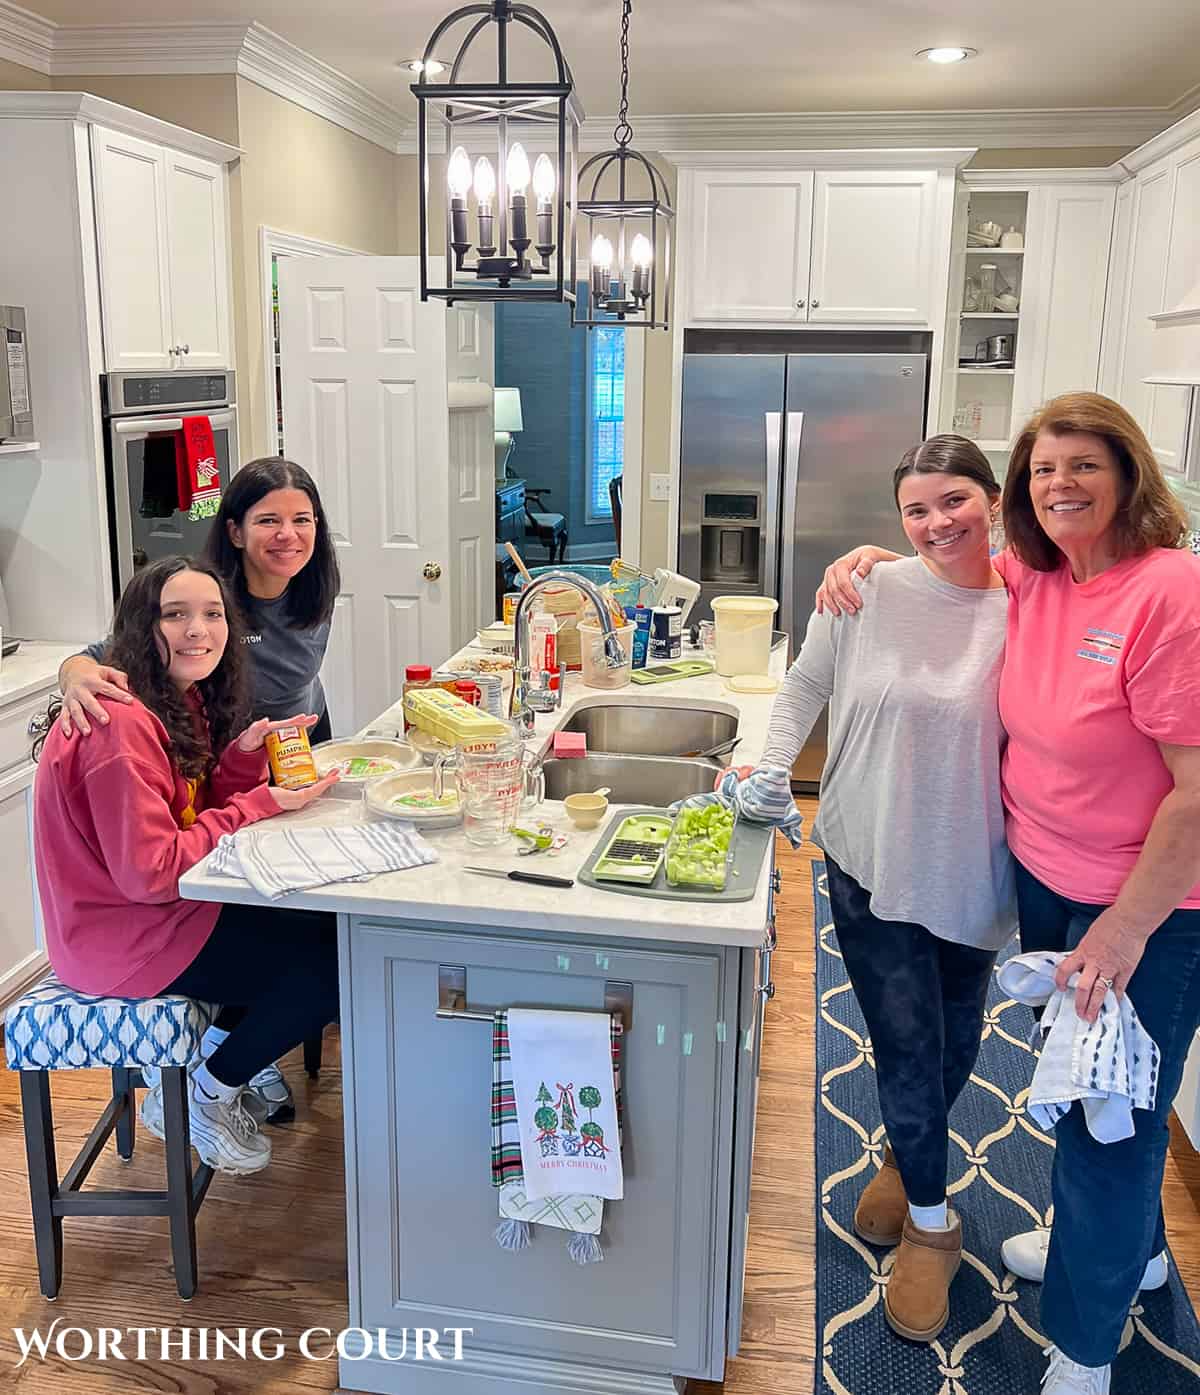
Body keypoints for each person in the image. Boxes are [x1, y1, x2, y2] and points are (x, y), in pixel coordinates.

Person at [816, 393, 1200, 1395]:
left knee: (1108, 1118)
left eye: (1083, 467)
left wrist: (1122, 929)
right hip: (1044, 879)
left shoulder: (1169, 591)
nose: (1061, 486)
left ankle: (1081, 1353)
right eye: (1044, 470)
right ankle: (1140, 1258)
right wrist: (864, 558)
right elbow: (944, 568)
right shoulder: (1043, 577)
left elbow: (1196, 794)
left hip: (1143, 906)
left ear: (1129, 477)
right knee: (1096, 1091)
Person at [738, 435, 1015, 1344]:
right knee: (903, 1039)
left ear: (993, 498)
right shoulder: (865, 590)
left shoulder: (1034, 603)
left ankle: (905, 1153)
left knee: (954, 1038)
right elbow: (805, 684)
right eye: (917, 509)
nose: (937, 522)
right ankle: (934, 1223)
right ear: (897, 518)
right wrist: (772, 776)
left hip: (978, 861)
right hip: (864, 850)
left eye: (955, 501)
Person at [35, 556, 341, 1175]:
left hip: (154, 913)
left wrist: (240, 762)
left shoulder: (173, 697)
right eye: (175, 615)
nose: (198, 629)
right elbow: (150, 872)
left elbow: (183, 812)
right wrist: (258, 803)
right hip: (124, 938)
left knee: (322, 926)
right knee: (329, 969)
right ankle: (210, 1092)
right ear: (139, 627)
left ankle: (212, 1063)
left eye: (211, 614)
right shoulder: (117, 727)